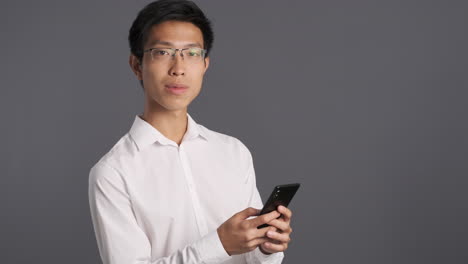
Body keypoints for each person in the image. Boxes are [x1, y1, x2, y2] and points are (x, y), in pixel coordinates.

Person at [88, 0, 293, 263]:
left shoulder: (233, 152)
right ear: (137, 65)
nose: (179, 68)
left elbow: (253, 260)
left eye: (192, 53)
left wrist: (266, 248)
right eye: (163, 52)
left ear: (205, 64)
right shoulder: (113, 173)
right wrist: (219, 244)